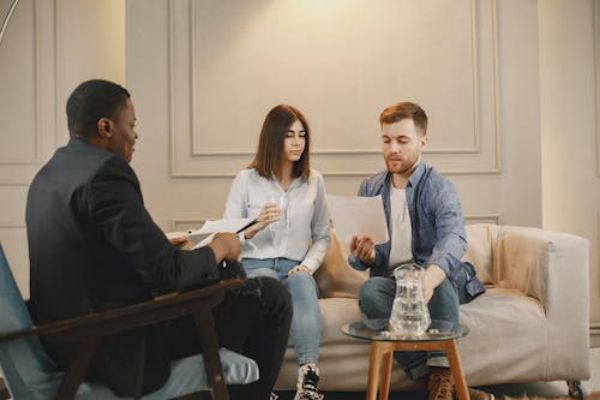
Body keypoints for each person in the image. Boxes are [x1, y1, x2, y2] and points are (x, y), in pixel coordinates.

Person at [26, 79, 292, 400]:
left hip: (68, 340)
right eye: (131, 125)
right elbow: (168, 274)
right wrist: (221, 245)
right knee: (272, 297)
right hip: (112, 348)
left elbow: (91, 259)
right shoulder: (105, 173)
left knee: (227, 278)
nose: (135, 135)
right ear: (106, 127)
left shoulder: (49, 175)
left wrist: (166, 250)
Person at [348, 102, 487, 400]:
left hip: (439, 279)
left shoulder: (439, 187)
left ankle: (442, 376)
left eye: (402, 140)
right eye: (386, 140)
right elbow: (363, 258)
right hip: (397, 283)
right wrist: (366, 256)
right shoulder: (371, 187)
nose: (393, 149)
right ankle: (436, 380)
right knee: (369, 291)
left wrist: (429, 278)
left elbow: (454, 238)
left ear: (423, 142)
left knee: (440, 283)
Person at [224, 104, 330, 400]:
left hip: (295, 265)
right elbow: (227, 236)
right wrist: (253, 227)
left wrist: (308, 265)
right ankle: (261, 387)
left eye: (302, 135)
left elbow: (322, 235)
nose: (298, 142)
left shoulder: (314, 181)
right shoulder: (246, 180)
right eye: (289, 135)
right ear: (273, 138)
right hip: (254, 264)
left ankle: (308, 380)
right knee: (267, 282)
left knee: (301, 281)